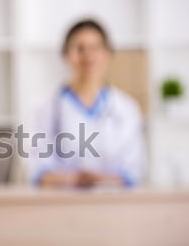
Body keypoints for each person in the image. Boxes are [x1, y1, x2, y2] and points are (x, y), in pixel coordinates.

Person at [28, 18, 146, 189]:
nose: (88, 55)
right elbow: (37, 169)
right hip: (60, 206)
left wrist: (99, 180)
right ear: (66, 54)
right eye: (79, 48)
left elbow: (134, 170)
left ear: (107, 54)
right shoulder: (44, 108)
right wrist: (74, 180)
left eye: (95, 48)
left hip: (114, 205)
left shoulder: (127, 108)